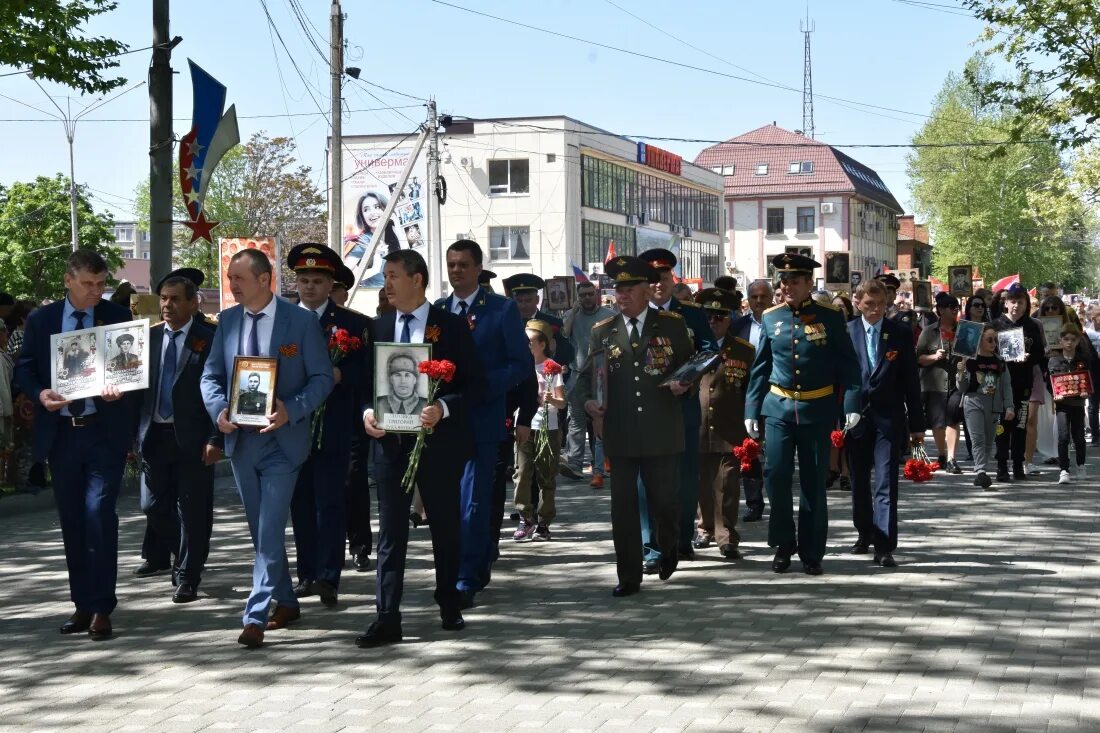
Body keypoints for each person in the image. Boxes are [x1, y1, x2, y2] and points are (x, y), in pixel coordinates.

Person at [200, 248, 334, 648]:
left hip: (284, 443)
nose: (231, 285)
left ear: (264, 279)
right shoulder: (226, 322)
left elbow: (322, 378)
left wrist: (291, 410)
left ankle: (254, 614)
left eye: (238, 279)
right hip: (241, 441)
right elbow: (210, 377)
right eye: (230, 278)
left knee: (270, 525)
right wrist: (219, 411)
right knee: (262, 531)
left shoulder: (301, 322)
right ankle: (288, 600)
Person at [357, 249, 482, 647]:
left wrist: (442, 408)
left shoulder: (451, 326)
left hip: (439, 444)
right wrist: (367, 415)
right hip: (391, 446)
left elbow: (474, 385)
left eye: (393, 275)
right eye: (384, 276)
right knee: (391, 533)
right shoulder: (377, 328)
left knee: (445, 526)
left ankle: (449, 603)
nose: (387, 284)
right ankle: (387, 615)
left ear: (418, 279)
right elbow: (364, 387)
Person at [14, 249, 138, 640]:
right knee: (72, 520)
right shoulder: (42, 320)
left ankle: (103, 607)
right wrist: (40, 392)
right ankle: (82, 604)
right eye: (88, 284)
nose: (95, 292)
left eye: (101, 285)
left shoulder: (117, 317)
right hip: (63, 434)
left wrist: (122, 389)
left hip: (104, 433)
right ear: (68, 280)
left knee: (98, 514)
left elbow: (133, 370)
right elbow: (24, 367)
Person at [577, 256, 694, 596]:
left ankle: (669, 547)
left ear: (646, 291)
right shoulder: (604, 331)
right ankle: (628, 575)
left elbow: (693, 363)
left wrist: (683, 383)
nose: (622, 296)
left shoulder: (671, 325)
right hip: (621, 431)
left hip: (662, 429)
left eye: (629, 289)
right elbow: (585, 381)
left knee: (665, 503)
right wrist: (588, 403)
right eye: (618, 290)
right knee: (623, 510)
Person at [744, 252, 862, 576]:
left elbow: (849, 366)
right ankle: (784, 543)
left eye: (794, 281)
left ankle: (811, 550)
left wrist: (851, 405)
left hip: (816, 409)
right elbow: (761, 368)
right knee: (776, 476)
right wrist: (751, 409)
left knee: (813, 483)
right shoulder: (771, 317)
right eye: (783, 281)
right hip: (778, 409)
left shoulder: (831, 317)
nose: (787, 286)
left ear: (809, 283)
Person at [438, 240, 531, 609]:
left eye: (463, 265)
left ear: (478, 269)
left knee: (473, 504)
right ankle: (454, 569)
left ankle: (467, 577)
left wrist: (483, 388)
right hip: (444, 422)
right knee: (447, 505)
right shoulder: (439, 310)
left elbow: (520, 363)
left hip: (482, 419)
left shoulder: (500, 310)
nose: (456, 270)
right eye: (451, 264)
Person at [285, 244, 372, 609]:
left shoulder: (353, 324)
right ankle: (305, 572)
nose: (309, 287)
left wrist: (340, 373)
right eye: (303, 280)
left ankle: (328, 576)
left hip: (335, 427)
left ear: (331, 283)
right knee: (300, 503)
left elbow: (367, 372)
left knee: (330, 503)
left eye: (317, 281)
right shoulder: (283, 321)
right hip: (293, 427)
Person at [136, 269, 222, 603]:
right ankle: (180, 553)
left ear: (192, 303)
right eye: (164, 299)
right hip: (154, 436)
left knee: (193, 510)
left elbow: (221, 390)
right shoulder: (149, 338)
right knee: (152, 506)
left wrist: (216, 438)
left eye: (175, 299)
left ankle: (188, 575)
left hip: (194, 439)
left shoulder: (210, 338)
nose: (167, 305)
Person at [637, 247, 716, 570]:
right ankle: (651, 545)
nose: (659, 284)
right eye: (653, 279)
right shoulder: (633, 316)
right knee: (646, 482)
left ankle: (682, 540)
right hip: (644, 412)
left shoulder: (693, 314)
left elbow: (710, 350)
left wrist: (686, 378)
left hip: (682, 407)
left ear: (673, 279)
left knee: (683, 479)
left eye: (665, 277)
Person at [844, 280, 924, 568]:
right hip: (856, 419)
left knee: (886, 483)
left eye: (880, 305)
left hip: (889, 420)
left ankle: (885, 544)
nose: (876, 310)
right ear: (857, 302)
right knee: (859, 482)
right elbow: (838, 379)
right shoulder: (847, 332)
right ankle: (864, 531)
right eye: (869, 304)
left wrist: (917, 424)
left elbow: (911, 382)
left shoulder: (899, 334)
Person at [692, 288, 754, 559]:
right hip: (696, 426)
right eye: (708, 315)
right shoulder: (690, 346)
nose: (713, 321)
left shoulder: (744, 350)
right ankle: (704, 527)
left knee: (727, 483)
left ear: (730, 318)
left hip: (730, 428)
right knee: (701, 483)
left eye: (720, 316)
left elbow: (752, 390)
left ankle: (726, 535)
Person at [512, 320, 566, 541]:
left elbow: (562, 403)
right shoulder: (519, 366)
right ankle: (526, 518)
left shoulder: (552, 367)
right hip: (525, 427)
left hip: (548, 428)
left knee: (547, 476)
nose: (526, 346)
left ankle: (544, 522)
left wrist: (551, 398)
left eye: (530, 342)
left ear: (542, 344)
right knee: (522, 474)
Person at [561, 281, 615, 488]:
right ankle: (574, 464)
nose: (586, 298)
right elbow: (564, 335)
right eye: (582, 295)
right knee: (575, 421)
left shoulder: (609, 314)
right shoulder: (572, 315)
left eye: (590, 294)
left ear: (597, 294)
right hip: (578, 374)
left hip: (602, 374)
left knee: (601, 421)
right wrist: (573, 313)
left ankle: (600, 465)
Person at [992, 283, 1047, 481]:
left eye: (1020, 302)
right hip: (1000, 385)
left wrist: (1028, 357)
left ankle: (1018, 464)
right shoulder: (995, 325)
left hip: (1024, 383)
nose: (1016, 306)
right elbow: (987, 353)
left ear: (1026, 303)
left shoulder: (1032, 326)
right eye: (1012, 301)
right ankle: (1001, 466)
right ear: (1005, 303)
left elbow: (1041, 356)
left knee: (1020, 426)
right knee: (1002, 427)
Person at [730, 279, 772, 522]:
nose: (759, 301)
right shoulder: (737, 327)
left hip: (775, 395)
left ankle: (779, 497)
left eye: (763, 296)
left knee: (775, 452)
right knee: (749, 451)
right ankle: (754, 503)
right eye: (754, 297)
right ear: (748, 299)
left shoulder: (782, 322)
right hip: (745, 397)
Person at [960, 324, 1014, 489]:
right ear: (979, 341)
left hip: (993, 404)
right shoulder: (969, 360)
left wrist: (1009, 406)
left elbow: (1006, 385)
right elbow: (961, 388)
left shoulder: (1000, 361)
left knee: (989, 440)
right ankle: (981, 471)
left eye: (995, 340)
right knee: (978, 438)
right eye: (989, 340)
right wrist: (960, 372)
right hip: (973, 401)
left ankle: (982, 470)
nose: (993, 343)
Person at [915, 293, 965, 473]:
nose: (955, 310)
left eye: (956, 307)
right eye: (951, 307)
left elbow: (971, 354)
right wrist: (934, 357)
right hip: (934, 383)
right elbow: (918, 358)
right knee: (937, 423)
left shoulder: (963, 330)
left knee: (953, 419)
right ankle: (942, 454)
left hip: (956, 382)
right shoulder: (929, 331)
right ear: (941, 310)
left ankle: (952, 458)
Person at [1049, 324, 1090, 484]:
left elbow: (1088, 380)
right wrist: (1054, 394)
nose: (1069, 342)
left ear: (1078, 340)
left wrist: (1087, 390)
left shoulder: (1083, 360)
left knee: (1079, 437)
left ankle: (1081, 465)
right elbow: (1050, 382)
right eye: (1066, 339)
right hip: (1062, 405)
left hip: (1078, 403)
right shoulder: (1054, 360)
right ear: (1060, 340)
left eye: (1073, 339)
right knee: (1063, 437)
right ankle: (1064, 470)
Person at [343, 190, 402, 287]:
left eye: (377, 207)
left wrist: (397, 224)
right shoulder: (363, 241)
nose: (372, 213)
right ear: (362, 216)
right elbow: (344, 278)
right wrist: (375, 268)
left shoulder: (393, 233)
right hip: (373, 295)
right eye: (366, 210)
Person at [375, 352, 428, 422]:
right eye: (397, 375)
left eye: (407, 375)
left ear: (414, 379)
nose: (403, 381)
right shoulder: (379, 403)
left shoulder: (426, 405)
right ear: (391, 379)